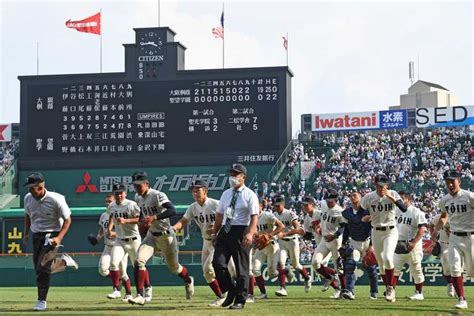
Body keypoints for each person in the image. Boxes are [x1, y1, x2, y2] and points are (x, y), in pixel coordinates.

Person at [129, 171, 194, 305]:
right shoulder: (138, 197)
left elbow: (172, 210)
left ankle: (188, 280)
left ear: (147, 184)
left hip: (166, 236)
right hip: (151, 236)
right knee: (139, 261)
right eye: (135, 185)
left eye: (139, 185)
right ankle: (140, 295)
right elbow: (142, 213)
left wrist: (154, 217)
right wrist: (142, 221)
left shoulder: (157, 195)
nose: (137, 188)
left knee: (174, 268)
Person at [173, 179, 235, 307]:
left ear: (205, 191)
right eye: (193, 191)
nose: (195, 193)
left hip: (220, 241)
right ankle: (222, 296)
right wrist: (173, 228)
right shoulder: (193, 207)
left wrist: (219, 226)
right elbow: (183, 221)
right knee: (207, 273)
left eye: (198, 190)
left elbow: (231, 218)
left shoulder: (215, 204)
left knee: (213, 268)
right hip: (206, 241)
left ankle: (228, 295)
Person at [22, 172, 78, 311]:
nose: (29, 190)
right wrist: (26, 234)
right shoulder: (28, 198)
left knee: (43, 268)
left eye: (31, 187)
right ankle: (64, 261)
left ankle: (41, 301)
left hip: (52, 235)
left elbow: (68, 219)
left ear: (40, 187)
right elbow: (28, 216)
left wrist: (59, 238)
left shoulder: (56, 199)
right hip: (36, 235)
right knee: (39, 269)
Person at [211, 163, 259, 310]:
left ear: (243, 177)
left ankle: (240, 299)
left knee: (241, 268)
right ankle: (231, 290)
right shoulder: (226, 194)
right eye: (231, 174)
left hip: (241, 230)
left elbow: (254, 216)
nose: (233, 177)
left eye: (236, 174)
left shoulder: (250, 194)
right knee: (217, 263)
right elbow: (219, 215)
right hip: (225, 230)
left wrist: (250, 233)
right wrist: (214, 232)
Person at [360, 173, 407, 302]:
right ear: (375, 185)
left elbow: (403, 209)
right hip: (376, 231)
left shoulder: (393, 194)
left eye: (383, 186)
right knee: (380, 262)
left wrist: (392, 198)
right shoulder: (369, 197)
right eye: (378, 186)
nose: (381, 188)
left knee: (387, 257)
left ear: (387, 185)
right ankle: (388, 288)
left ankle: (391, 287)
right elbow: (362, 211)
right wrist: (366, 217)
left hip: (390, 231)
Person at [434, 169, 474, 309]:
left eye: (452, 181)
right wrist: (436, 230)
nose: (450, 184)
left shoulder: (469, 196)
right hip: (455, 237)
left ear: (459, 181)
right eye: (447, 182)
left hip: (471, 237)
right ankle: (461, 299)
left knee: (472, 271)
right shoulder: (444, 200)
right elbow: (444, 217)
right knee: (455, 267)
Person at [107, 184, 142, 301]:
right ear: (114, 195)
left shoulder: (131, 204)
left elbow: (140, 219)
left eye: (121, 193)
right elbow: (111, 216)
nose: (119, 195)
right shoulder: (111, 206)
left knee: (139, 266)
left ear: (125, 193)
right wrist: (109, 228)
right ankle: (116, 290)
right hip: (120, 240)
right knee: (113, 263)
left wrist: (126, 220)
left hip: (133, 239)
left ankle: (145, 289)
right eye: (117, 193)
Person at [341, 191, 378, 300]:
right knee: (350, 266)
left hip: (367, 242)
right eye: (351, 196)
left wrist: (372, 245)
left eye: (355, 195)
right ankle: (349, 291)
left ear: (361, 198)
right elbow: (346, 229)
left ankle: (374, 292)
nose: (352, 197)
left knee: (371, 268)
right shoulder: (346, 213)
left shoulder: (367, 211)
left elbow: (373, 228)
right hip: (355, 243)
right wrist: (343, 243)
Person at [273, 195, 312, 297]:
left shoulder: (290, 213)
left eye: (278, 205)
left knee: (296, 265)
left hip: (292, 241)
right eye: (275, 205)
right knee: (280, 263)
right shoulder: (274, 214)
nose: (276, 207)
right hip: (281, 242)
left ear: (283, 204)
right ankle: (282, 288)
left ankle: (307, 278)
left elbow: (298, 229)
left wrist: (285, 233)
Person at [311, 190, 346, 299]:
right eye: (327, 200)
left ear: (336, 200)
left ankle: (343, 291)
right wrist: (319, 226)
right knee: (315, 262)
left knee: (339, 267)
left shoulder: (340, 211)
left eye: (331, 201)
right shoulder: (323, 205)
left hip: (335, 241)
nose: (329, 202)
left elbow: (344, 227)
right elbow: (322, 218)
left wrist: (335, 235)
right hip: (324, 240)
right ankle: (329, 276)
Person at [392, 191, 427, 300]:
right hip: (398, 243)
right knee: (394, 268)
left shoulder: (416, 212)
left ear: (408, 199)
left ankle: (419, 292)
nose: (400, 200)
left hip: (412, 244)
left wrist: (414, 242)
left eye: (402, 198)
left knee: (416, 268)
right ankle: (391, 291)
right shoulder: (395, 211)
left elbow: (422, 229)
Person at [96, 194, 132, 300]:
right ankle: (118, 282)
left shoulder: (119, 214)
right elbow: (102, 229)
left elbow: (126, 231)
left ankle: (128, 293)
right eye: (106, 201)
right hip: (107, 247)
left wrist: (114, 234)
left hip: (120, 245)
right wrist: (98, 237)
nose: (108, 203)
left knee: (123, 272)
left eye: (110, 201)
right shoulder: (103, 215)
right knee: (102, 269)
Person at [252, 198, 285, 299]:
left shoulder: (267, 215)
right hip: (260, 247)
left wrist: (269, 235)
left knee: (272, 274)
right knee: (255, 269)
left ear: (261, 206)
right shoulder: (250, 217)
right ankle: (263, 293)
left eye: (257, 205)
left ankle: (286, 271)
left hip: (271, 246)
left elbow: (281, 226)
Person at [429, 213, 455, 297]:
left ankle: (458, 290)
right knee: (446, 268)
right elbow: (432, 225)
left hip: (456, 243)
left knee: (458, 267)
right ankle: (450, 283)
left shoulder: (458, 216)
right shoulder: (438, 217)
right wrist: (433, 236)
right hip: (443, 244)